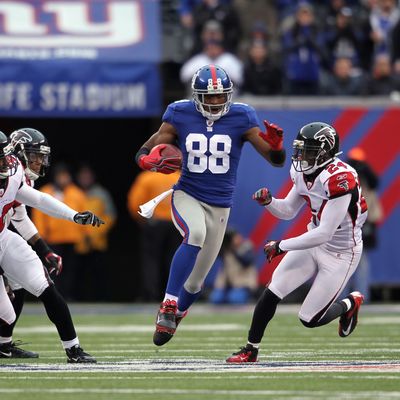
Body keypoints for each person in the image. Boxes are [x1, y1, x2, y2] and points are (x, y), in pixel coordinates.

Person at [135, 64, 286, 346]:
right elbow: (146, 148)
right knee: (195, 234)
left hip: (220, 205)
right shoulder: (179, 112)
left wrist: (277, 147)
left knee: (195, 284)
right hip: (187, 193)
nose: (215, 102)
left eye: (220, 96)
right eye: (210, 96)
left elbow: (275, 161)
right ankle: (168, 304)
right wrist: (145, 160)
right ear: (196, 95)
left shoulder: (242, 115)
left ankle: (177, 314)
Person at [226, 121, 367, 363]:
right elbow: (289, 210)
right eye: (300, 150)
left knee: (309, 318)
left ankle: (349, 303)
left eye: (309, 151)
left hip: (341, 253)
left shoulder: (340, 178)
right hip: (313, 241)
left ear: (326, 152)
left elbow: (326, 232)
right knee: (272, 291)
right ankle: (251, 349)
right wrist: (269, 201)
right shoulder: (301, 172)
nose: (302, 156)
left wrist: (282, 245)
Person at [0, 129, 104, 363]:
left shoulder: (14, 171)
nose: (4, 164)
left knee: (44, 285)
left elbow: (35, 201)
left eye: (5, 158)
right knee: (5, 312)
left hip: (3, 237)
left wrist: (74, 216)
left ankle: (73, 349)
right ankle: (3, 343)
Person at [0, 127, 63, 358]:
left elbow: (20, 217)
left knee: (17, 289)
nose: (39, 161)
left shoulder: (18, 176)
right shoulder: (12, 174)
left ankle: (4, 344)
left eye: (41, 156)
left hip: (4, 239)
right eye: (34, 155)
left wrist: (44, 251)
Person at [31, 162, 88, 300]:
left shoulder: (77, 193)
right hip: (53, 239)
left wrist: (85, 234)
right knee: (53, 269)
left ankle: (67, 295)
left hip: (72, 238)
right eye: (60, 175)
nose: (63, 178)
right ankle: (54, 295)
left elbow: (84, 214)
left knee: (70, 270)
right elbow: (39, 215)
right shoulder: (46, 191)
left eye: (65, 175)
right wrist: (41, 236)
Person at [127, 170, 181, 302]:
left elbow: (135, 203)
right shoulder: (179, 177)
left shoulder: (147, 178)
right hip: (176, 222)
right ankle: (174, 295)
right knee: (174, 258)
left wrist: (141, 220)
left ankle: (150, 295)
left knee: (151, 260)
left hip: (154, 223)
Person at [345, 147, 383, 303]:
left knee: (361, 259)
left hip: (364, 219)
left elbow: (375, 183)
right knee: (344, 260)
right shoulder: (345, 175)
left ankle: (360, 297)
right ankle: (340, 297)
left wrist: (363, 168)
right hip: (347, 219)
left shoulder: (368, 176)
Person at [75, 164, 117, 301]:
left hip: (97, 243)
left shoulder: (101, 194)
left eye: (88, 176)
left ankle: (102, 300)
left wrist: (95, 234)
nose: (85, 178)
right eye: (82, 176)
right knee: (77, 275)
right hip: (77, 243)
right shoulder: (73, 194)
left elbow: (110, 216)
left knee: (99, 274)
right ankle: (77, 299)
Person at [209, 227, 258, 304]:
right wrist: (221, 242)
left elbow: (246, 262)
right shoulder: (225, 249)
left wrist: (234, 249)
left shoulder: (246, 246)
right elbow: (215, 253)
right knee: (216, 299)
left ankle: (249, 297)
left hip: (244, 284)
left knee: (234, 299)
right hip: (227, 285)